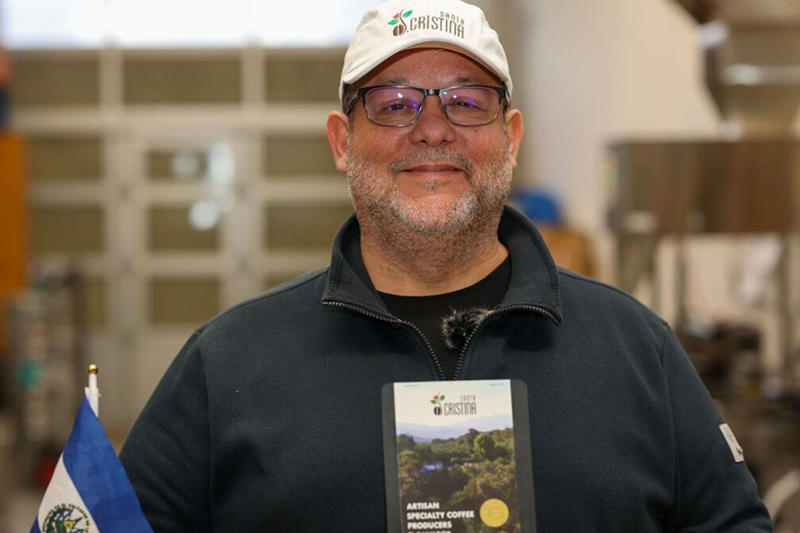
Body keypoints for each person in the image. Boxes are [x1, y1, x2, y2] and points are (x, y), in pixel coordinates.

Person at [120, 0, 773, 531]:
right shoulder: (226, 363)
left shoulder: (636, 349)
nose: (432, 128)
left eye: (466, 101)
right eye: (394, 103)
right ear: (343, 142)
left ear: (510, 138)